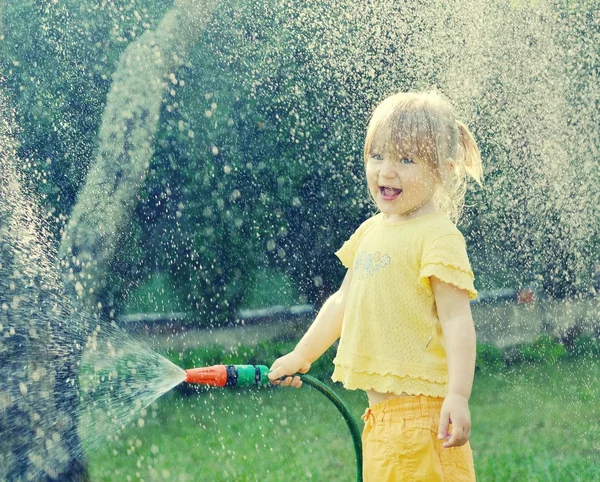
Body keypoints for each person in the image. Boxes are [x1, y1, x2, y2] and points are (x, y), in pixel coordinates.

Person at [268, 91, 483, 481]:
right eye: (377, 155)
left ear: (444, 170)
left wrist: (458, 395)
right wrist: (303, 354)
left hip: (421, 420)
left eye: (406, 159)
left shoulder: (437, 236)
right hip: (382, 422)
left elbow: (457, 322)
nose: (386, 171)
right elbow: (343, 301)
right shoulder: (369, 231)